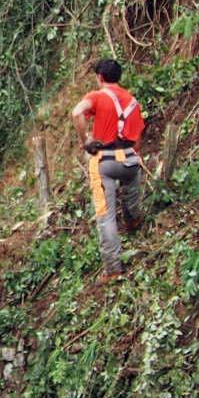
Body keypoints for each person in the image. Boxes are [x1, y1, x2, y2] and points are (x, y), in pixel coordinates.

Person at [69, 57, 146, 274]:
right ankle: (133, 220)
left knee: (106, 216)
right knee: (131, 190)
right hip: (130, 159)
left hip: (105, 162)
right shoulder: (132, 101)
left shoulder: (97, 96)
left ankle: (113, 268)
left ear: (100, 77)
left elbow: (77, 113)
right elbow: (138, 139)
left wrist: (86, 141)